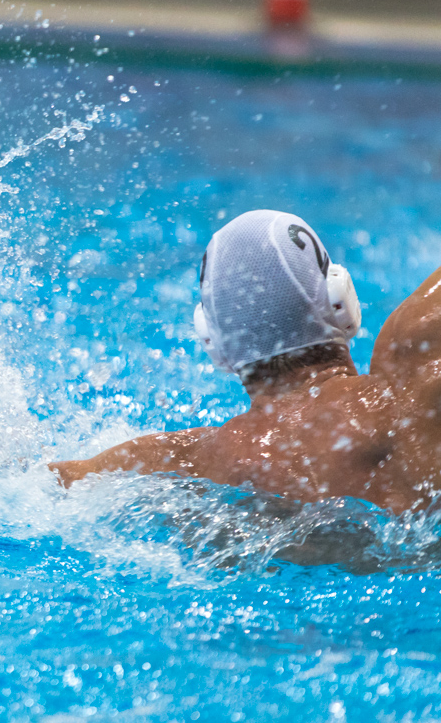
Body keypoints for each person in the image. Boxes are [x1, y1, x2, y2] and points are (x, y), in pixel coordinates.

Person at [51, 208, 441, 513]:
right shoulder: (407, 392)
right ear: (340, 301)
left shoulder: (183, 463)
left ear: (212, 342)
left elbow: (32, 485)